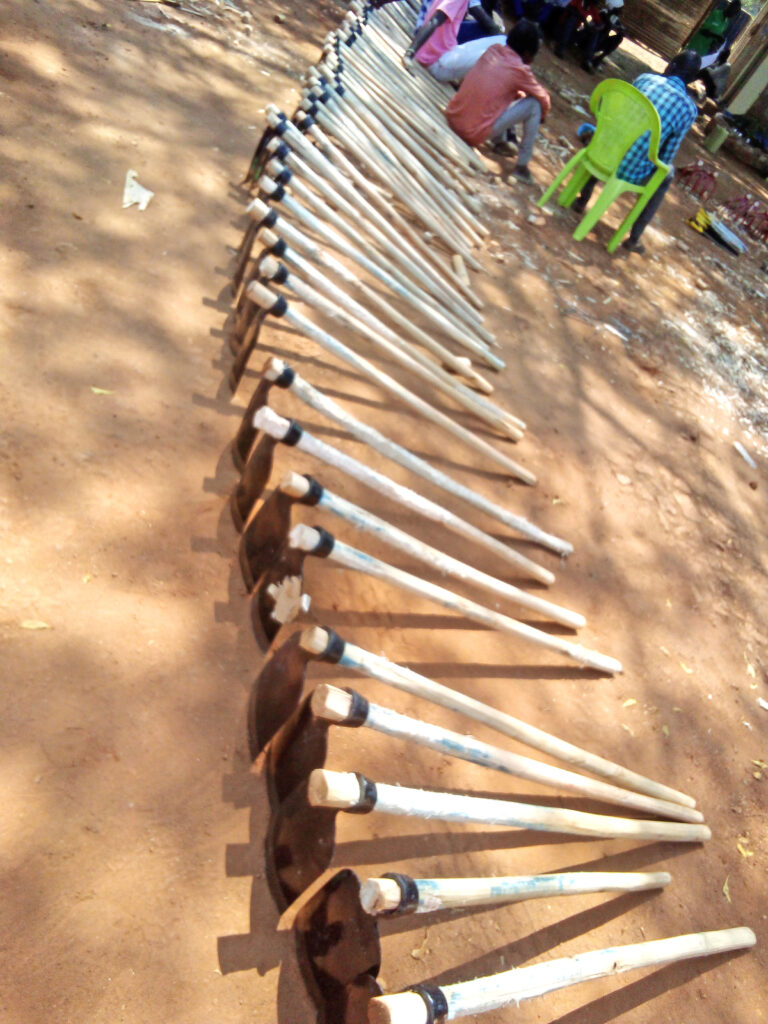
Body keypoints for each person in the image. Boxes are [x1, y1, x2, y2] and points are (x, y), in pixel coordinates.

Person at [573, 49, 702, 254]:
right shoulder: (688, 109)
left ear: (671, 66)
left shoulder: (644, 79)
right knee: (666, 173)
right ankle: (634, 238)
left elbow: (618, 116)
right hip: (630, 170)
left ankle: (582, 199)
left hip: (604, 151)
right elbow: (666, 155)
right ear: (691, 81)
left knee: (614, 136)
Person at [445, 20, 551, 181]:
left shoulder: (493, 50)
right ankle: (522, 167)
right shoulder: (520, 71)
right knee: (534, 105)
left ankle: (500, 141)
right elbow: (543, 98)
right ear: (528, 54)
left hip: (453, 116)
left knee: (506, 93)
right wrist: (543, 115)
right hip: (471, 133)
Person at [578, 0, 624, 72]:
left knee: (619, 37)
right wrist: (613, 25)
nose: (621, 11)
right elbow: (601, 24)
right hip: (587, 39)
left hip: (598, 42)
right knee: (597, 32)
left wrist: (620, 29)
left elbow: (620, 28)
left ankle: (598, 59)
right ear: (613, 7)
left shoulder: (614, 18)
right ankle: (587, 59)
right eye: (619, 8)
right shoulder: (603, 13)